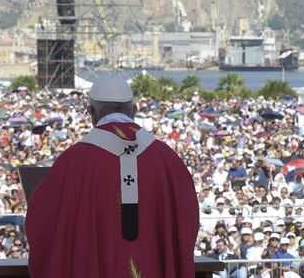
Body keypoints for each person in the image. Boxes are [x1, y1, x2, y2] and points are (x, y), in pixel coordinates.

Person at [26, 75, 200, 278]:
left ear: (91, 113)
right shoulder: (168, 161)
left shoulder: (71, 162)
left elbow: (41, 223)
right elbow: (187, 221)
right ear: (134, 110)